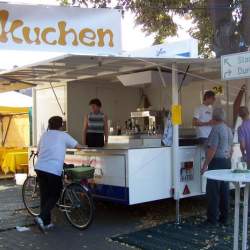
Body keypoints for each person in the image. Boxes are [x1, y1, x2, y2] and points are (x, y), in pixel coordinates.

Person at [34, 116, 83, 232]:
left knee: (45, 196)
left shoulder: (44, 135)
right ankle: (41, 218)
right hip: (52, 169)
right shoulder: (63, 135)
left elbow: (39, 150)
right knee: (55, 194)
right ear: (61, 125)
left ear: (49, 125)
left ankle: (46, 223)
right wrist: (86, 146)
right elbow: (78, 146)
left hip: (40, 168)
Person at [201, 107, 233, 225]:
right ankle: (224, 218)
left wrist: (205, 165)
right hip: (226, 161)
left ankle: (212, 219)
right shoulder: (228, 129)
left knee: (213, 191)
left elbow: (212, 149)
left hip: (216, 162)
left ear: (213, 117)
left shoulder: (216, 129)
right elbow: (231, 148)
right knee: (224, 190)